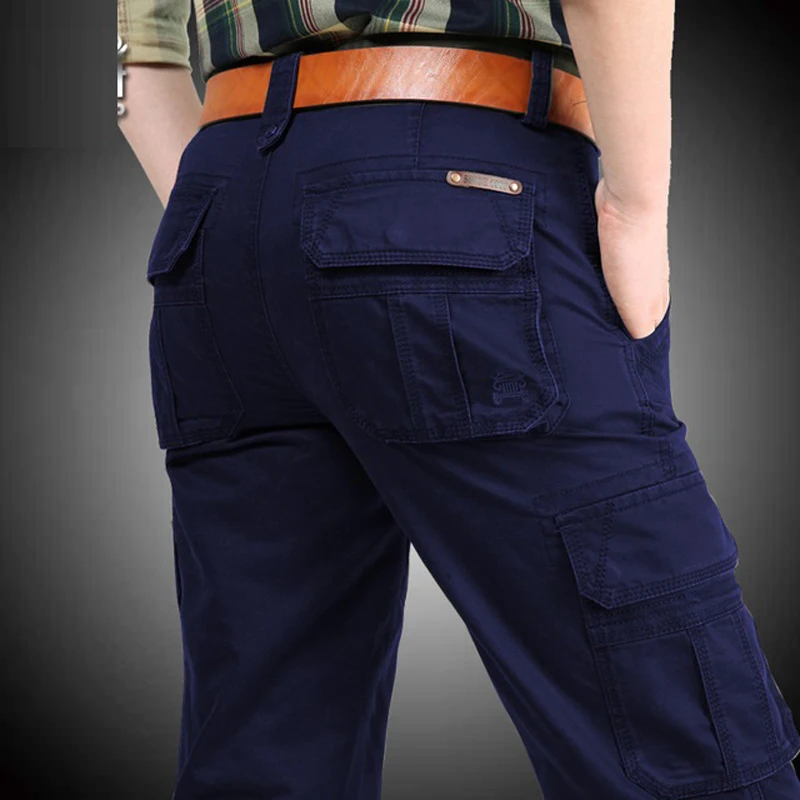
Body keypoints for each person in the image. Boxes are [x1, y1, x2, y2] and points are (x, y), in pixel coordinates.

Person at [118, 2, 800, 798]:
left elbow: (137, 54)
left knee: (263, 752)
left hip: (219, 214)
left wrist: (234, 216)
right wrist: (637, 208)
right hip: (462, 175)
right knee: (680, 741)